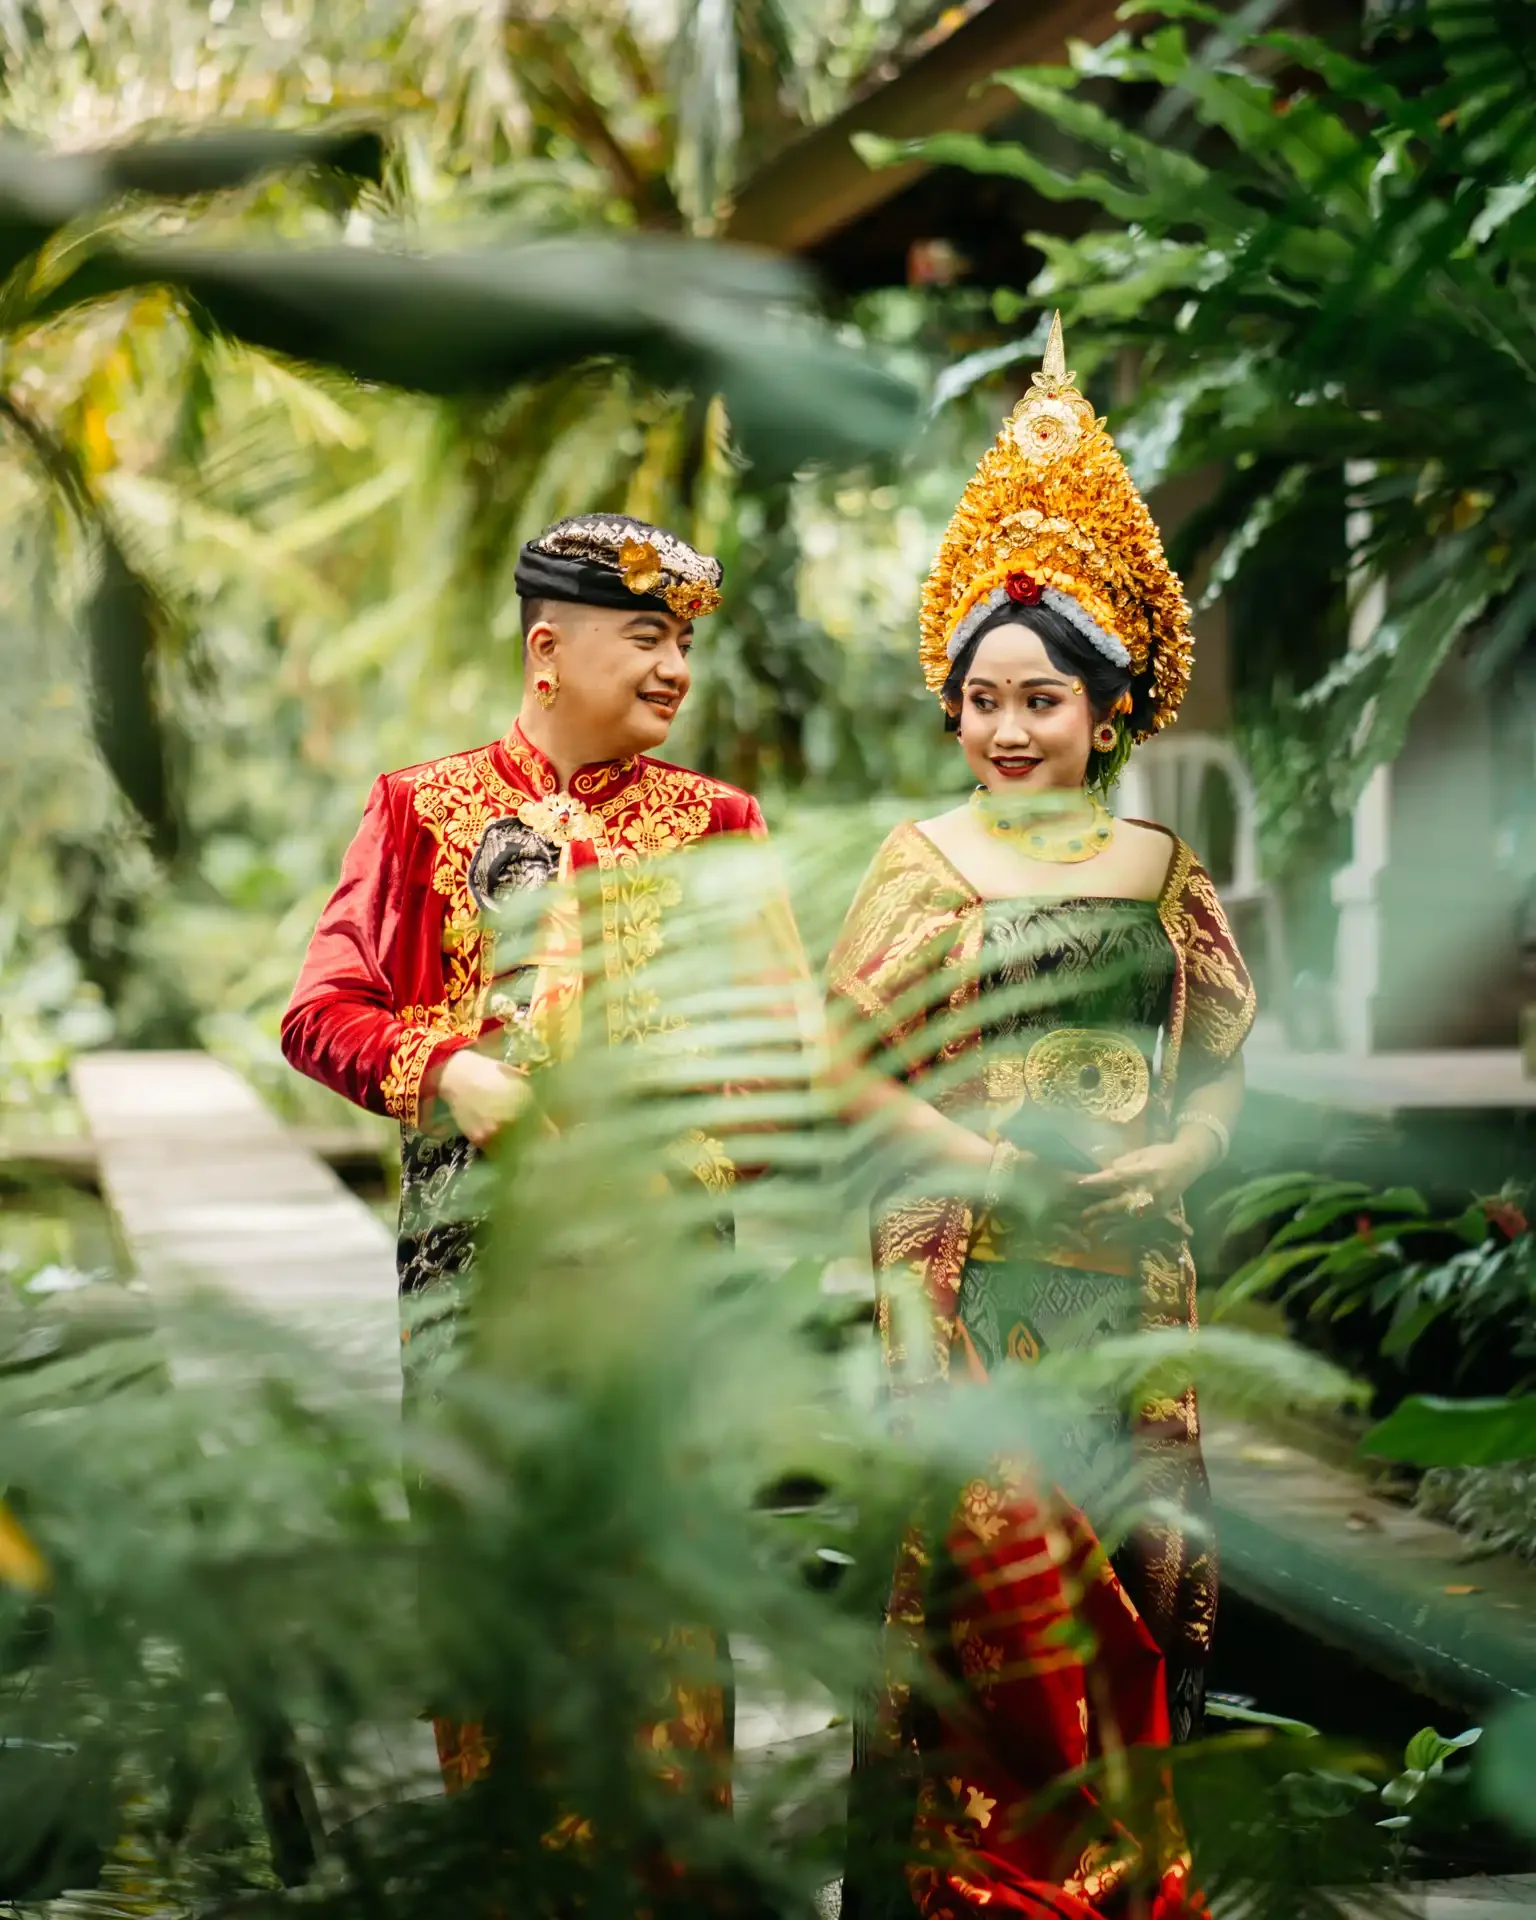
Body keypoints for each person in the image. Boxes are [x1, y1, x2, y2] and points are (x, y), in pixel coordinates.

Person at [829, 317, 1256, 1919]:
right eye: (984, 700)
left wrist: (1188, 1152)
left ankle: (1127, 1885)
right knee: (997, 1599)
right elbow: (851, 1067)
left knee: (1136, 1590)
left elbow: (1217, 1062)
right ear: (952, 711)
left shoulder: (1165, 876)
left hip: (1132, 1282)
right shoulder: (923, 866)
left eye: (1045, 699)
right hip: (970, 1278)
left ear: (1108, 707)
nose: (1010, 731)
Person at [281, 511, 769, 1794]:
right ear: (547, 648)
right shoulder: (418, 811)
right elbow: (320, 1012)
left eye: (683, 646)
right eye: (647, 638)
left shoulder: (718, 823)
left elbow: (777, 1059)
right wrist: (449, 1069)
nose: (675, 669)